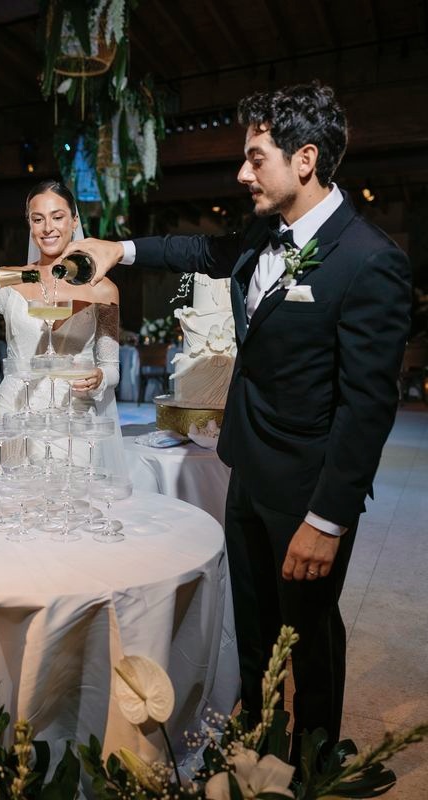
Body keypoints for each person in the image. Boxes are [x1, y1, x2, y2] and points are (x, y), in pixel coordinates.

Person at [61, 83, 412, 758]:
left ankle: (312, 760)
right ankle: (257, 746)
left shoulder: (370, 260)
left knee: (307, 635)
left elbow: (368, 407)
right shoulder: (260, 232)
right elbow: (199, 253)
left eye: (256, 158)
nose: (242, 174)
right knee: (252, 623)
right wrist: (118, 249)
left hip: (307, 489)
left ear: (305, 160)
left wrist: (327, 521)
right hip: (246, 467)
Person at [0, 180, 126, 475]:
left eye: (57, 217)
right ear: (30, 225)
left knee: (71, 498)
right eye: (38, 219)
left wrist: (99, 377)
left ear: (74, 221)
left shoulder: (104, 289)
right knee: (12, 496)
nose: (48, 228)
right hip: (14, 415)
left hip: (73, 417)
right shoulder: (10, 279)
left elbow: (111, 369)